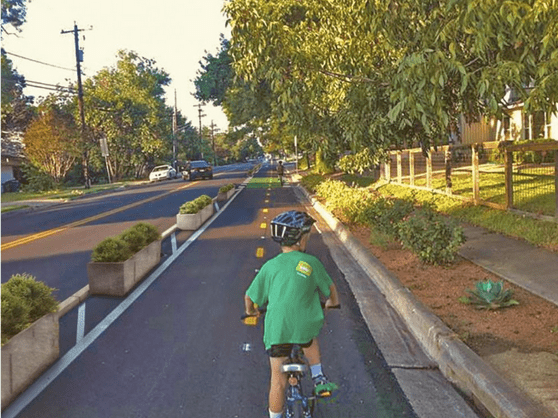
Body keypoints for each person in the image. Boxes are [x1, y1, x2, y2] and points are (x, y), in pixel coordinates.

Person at [244, 210, 340, 418]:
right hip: (304, 326)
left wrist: (251, 311)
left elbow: (250, 298)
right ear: (299, 240)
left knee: (277, 382)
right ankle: (318, 377)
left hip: (277, 331)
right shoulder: (311, 263)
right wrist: (332, 303)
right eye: (307, 235)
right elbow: (331, 290)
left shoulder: (270, 266)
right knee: (309, 338)